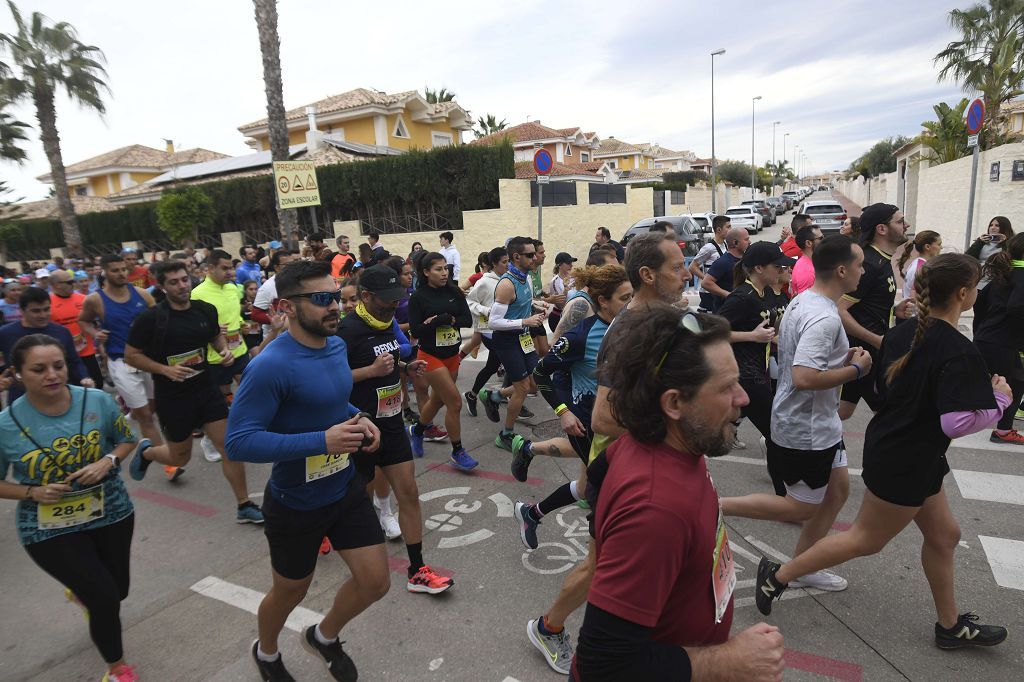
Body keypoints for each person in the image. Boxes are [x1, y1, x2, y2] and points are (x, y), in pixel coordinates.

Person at [756, 254, 1010, 652]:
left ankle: (950, 626)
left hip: (906, 449)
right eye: (976, 285)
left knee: (945, 536)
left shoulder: (905, 331)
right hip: (904, 458)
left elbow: (883, 391)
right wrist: (998, 402)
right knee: (866, 539)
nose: (977, 291)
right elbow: (955, 423)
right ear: (963, 294)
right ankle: (779, 574)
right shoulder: (957, 349)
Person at [571, 304, 785, 682]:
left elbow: (598, 476)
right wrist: (729, 661)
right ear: (673, 403)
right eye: (725, 388)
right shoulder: (657, 511)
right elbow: (603, 665)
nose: (743, 398)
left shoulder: (658, 441)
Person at [518, 232, 690, 674]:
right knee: (598, 563)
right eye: (677, 266)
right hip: (618, 465)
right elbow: (604, 419)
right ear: (649, 276)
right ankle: (549, 626)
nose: (687, 273)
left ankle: (534, 511)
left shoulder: (658, 319)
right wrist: (673, 418)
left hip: (641, 463)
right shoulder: (621, 332)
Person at [225, 259, 389, 682]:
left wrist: (358, 416)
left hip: (344, 489)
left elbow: (330, 405)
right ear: (286, 306)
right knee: (290, 591)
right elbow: (239, 441)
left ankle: (324, 636)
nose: (335, 306)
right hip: (295, 502)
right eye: (321, 299)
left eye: (336, 296)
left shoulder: (335, 346)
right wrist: (323, 440)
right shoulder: (269, 366)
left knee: (375, 582)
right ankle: (265, 651)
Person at [722, 235, 869, 593]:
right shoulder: (823, 317)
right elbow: (804, 377)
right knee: (800, 507)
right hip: (805, 428)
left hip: (821, 423)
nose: (863, 271)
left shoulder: (807, 300)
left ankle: (802, 566)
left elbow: (805, 359)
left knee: (837, 493)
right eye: (860, 265)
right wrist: (855, 372)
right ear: (841, 270)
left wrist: (840, 359)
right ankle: (710, 505)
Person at [0, 334, 141, 682]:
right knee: (105, 599)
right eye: (38, 369)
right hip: (46, 527)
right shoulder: (5, 425)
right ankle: (117, 668)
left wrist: (107, 461)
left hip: (112, 511)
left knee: (117, 590)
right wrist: (32, 492)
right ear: (18, 373)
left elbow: (127, 440)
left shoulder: (97, 401)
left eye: (58, 365)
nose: (52, 374)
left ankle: (82, 591)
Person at [337, 265, 455, 594]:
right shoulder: (345, 332)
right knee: (353, 503)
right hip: (358, 426)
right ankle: (357, 561)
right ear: (365, 297)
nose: (393, 306)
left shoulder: (386, 323)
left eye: (396, 299)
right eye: (386, 300)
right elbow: (330, 382)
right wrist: (370, 371)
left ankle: (417, 569)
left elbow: (387, 356)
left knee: (410, 493)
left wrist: (405, 366)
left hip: (391, 424)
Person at [124, 260, 266, 522]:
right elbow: (131, 356)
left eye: (184, 279)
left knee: (229, 447)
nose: (182, 285)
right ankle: (147, 451)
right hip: (173, 397)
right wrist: (164, 369)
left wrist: (223, 351)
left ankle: (244, 505)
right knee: (180, 458)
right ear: (162, 286)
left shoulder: (204, 310)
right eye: (174, 282)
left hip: (205, 388)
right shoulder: (151, 319)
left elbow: (214, 336)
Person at [512, 265, 632, 556]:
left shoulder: (629, 326)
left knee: (592, 483)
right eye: (624, 298)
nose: (630, 304)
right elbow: (541, 374)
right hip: (588, 420)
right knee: (604, 486)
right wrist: (564, 411)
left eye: (633, 297)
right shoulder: (580, 336)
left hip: (623, 417)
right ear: (603, 301)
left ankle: (533, 513)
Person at [79, 254, 165, 458]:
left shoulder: (142, 294)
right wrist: (95, 334)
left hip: (148, 360)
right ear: (105, 272)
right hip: (120, 361)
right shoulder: (95, 300)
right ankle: (166, 461)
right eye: (115, 270)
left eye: (123, 269)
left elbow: (160, 320)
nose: (121, 273)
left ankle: (143, 438)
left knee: (151, 410)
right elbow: (83, 321)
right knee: (145, 415)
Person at [838, 203, 913, 420]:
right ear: (881, 229)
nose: (906, 225)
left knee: (842, 411)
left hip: (869, 348)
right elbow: (839, 309)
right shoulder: (869, 264)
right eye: (900, 221)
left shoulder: (880, 259)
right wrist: (877, 340)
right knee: (891, 414)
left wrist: (892, 310)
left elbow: (864, 304)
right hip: (865, 352)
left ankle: (794, 434)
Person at [717, 242, 793, 446]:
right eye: (777, 267)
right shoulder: (742, 297)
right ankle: (783, 475)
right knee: (776, 431)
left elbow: (767, 331)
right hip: (745, 375)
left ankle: (721, 431)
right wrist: (751, 336)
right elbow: (711, 332)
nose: (782, 270)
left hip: (761, 368)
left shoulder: (767, 293)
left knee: (774, 428)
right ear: (759, 268)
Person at [406, 252, 476, 468]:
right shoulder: (418, 297)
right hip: (430, 357)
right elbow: (415, 329)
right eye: (438, 269)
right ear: (426, 272)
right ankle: (457, 451)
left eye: (446, 268)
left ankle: (417, 431)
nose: (444, 273)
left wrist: (451, 319)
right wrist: (435, 322)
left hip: (452, 355)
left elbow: (467, 319)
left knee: (437, 400)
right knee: (454, 402)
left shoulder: (453, 291)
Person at [478, 237, 547, 452]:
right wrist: (524, 321)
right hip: (507, 341)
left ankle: (495, 395)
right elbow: (494, 322)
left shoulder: (526, 278)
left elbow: (521, 305)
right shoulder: (507, 284)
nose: (535, 258)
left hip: (523, 338)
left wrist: (537, 306)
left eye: (534, 254)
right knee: (523, 388)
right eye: (530, 255)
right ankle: (506, 434)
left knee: (534, 383)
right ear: (516, 257)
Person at [972, 233, 1024, 444]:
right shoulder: (1020, 273)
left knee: (981, 383)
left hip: (987, 338)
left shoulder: (1005, 273)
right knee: (1017, 384)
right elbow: (1016, 306)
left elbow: (979, 302)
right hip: (1004, 342)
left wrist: (981, 329)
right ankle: (1003, 431)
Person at [0, 287, 92, 403]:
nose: (43, 315)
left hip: (58, 396)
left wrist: (84, 377)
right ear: (22, 311)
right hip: (21, 399)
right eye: (36, 311)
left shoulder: (62, 332)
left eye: (46, 309)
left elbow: (74, 361)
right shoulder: (5, 334)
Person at [463, 246, 507, 417]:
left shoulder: (507, 280)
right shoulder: (484, 281)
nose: (508, 265)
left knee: (492, 366)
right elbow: (470, 302)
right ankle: (502, 396)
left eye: (508, 261)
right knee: (511, 362)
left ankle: (473, 395)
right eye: (504, 262)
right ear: (494, 264)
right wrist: (486, 310)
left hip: (503, 329)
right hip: (488, 330)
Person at [47, 269, 103, 388]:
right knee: (73, 390)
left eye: (73, 281)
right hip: (63, 356)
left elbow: (95, 323)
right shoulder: (47, 304)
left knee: (97, 384)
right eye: (69, 282)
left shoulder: (84, 299)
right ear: (56, 285)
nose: (73, 284)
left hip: (87, 352)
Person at [252, 250, 299, 338]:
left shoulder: (297, 281)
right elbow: (255, 314)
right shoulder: (268, 287)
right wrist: (279, 320)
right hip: (275, 337)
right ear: (276, 267)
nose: (292, 268)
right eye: (287, 265)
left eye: (293, 264)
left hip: (296, 334)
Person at [689, 215, 730, 312]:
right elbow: (692, 267)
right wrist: (707, 279)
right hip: (708, 293)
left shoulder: (726, 245)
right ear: (719, 229)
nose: (730, 230)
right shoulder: (708, 248)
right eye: (728, 227)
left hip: (719, 290)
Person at [702, 227, 750, 302]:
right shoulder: (723, 262)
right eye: (746, 239)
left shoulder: (746, 259)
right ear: (735, 243)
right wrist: (728, 295)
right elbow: (706, 283)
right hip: (726, 310)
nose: (749, 242)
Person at [901, 230, 942, 302]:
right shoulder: (922, 268)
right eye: (939, 244)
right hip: (915, 312)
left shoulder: (918, 263)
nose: (941, 247)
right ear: (927, 247)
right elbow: (914, 296)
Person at [790, 224, 823, 297]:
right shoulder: (807, 272)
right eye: (821, 238)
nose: (824, 241)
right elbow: (808, 304)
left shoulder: (808, 263)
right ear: (808, 243)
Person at [548, 251, 576, 332]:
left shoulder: (574, 278)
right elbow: (560, 305)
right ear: (559, 265)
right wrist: (566, 290)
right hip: (559, 318)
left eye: (571, 262)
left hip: (572, 317)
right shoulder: (555, 281)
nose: (571, 265)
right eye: (568, 263)